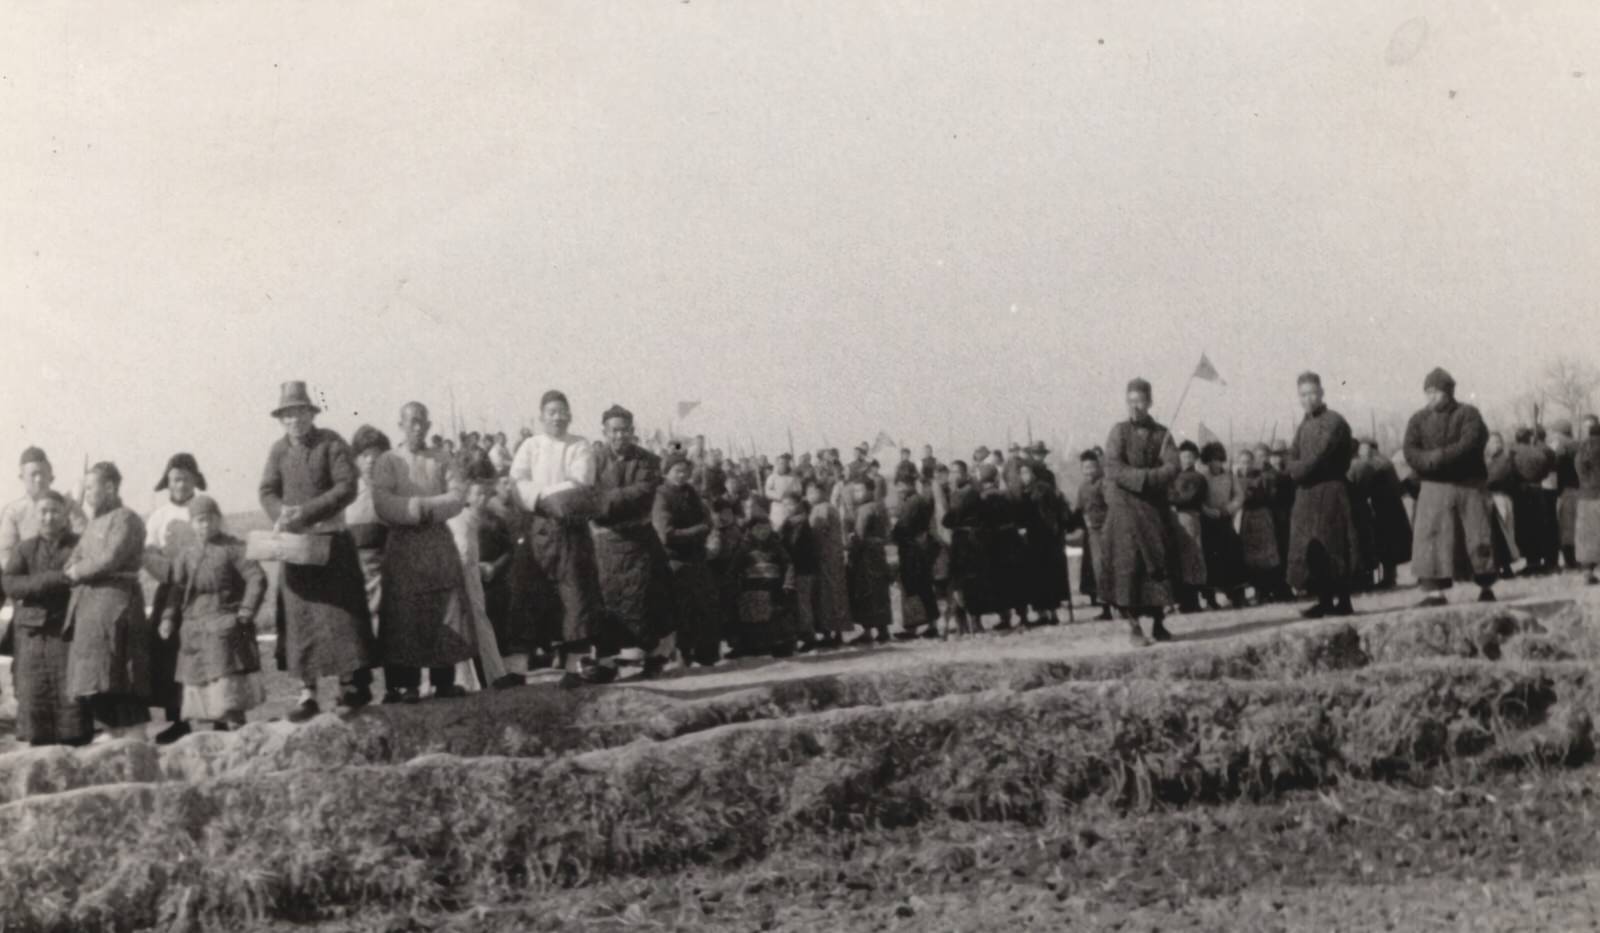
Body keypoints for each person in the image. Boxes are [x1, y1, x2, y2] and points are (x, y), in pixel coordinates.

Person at [258, 381, 376, 721]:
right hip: (296, 549)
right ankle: (307, 693)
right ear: (280, 420)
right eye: (287, 416)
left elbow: (347, 486)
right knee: (300, 623)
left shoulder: (331, 443)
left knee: (342, 619)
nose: (294, 421)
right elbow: (266, 489)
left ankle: (351, 686)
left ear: (311, 413)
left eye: (299, 413)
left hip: (332, 542)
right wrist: (281, 512)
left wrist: (307, 511)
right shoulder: (278, 451)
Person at [370, 402, 476, 703]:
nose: (417, 427)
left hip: (437, 545)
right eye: (411, 422)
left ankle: (443, 681)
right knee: (403, 615)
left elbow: (457, 496)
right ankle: (407, 685)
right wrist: (412, 510)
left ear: (429, 426)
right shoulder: (388, 462)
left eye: (422, 422)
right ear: (400, 424)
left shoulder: (442, 458)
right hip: (402, 546)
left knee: (444, 607)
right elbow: (382, 500)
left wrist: (428, 508)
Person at [508, 390, 607, 687]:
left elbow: (578, 486)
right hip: (537, 529)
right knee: (526, 595)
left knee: (575, 596)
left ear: (570, 415)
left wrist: (544, 496)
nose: (557, 417)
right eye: (551, 412)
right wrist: (541, 498)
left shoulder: (580, 445)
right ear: (541, 416)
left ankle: (574, 669)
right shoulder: (530, 445)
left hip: (571, 530)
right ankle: (517, 670)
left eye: (562, 411)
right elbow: (518, 483)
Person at [159, 495, 267, 731]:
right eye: (199, 520)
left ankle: (235, 723)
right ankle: (215, 728)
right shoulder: (186, 555)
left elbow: (256, 577)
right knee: (198, 665)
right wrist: (168, 618)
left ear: (218, 520)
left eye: (209, 520)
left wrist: (246, 610)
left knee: (223, 662)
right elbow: (176, 590)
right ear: (192, 523)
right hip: (195, 620)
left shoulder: (234, 548)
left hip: (224, 614)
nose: (205, 525)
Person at [64, 462, 152, 741]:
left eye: (91, 487)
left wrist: (79, 571)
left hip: (118, 604)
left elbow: (110, 557)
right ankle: (109, 729)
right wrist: (77, 568)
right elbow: (72, 560)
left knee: (121, 671)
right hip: (90, 609)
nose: (87, 493)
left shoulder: (126, 518)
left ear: (110, 487)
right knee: (96, 676)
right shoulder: (93, 525)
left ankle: (135, 735)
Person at [2, 491, 92, 745]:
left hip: (68, 632)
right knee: (34, 695)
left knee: (70, 696)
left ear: (65, 515)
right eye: (43, 511)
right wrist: (55, 579)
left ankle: (74, 747)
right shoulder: (25, 548)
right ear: (36, 515)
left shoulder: (78, 546)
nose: (49, 517)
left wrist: (38, 585)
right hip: (31, 635)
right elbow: (10, 584)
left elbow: (84, 576)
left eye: (55, 511)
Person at [591, 405, 673, 679]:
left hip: (640, 541)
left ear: (632, 432)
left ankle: (654, 659)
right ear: (604, 432)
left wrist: (604, 501)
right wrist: (604, 504)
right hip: (605, 544)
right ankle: (605, 665)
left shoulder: (648, 460)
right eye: (614, 430)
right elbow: (585, 496)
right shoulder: (592, 459)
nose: (620, 436)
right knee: (605, 602)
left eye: (625, 430)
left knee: (649, 600)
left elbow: (643, 493)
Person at [1403, 367, 1497, 606]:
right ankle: (1435, 593)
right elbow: (1410, 450)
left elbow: (1471, 443)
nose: (1431, 397)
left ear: (1448, 392)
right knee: (1432, 538)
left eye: (1435, 392)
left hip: (1468, 486)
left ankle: (1485, 587)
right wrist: (1428, 461)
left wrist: (1439, 458)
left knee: (1476, 536)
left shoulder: (1468, 414)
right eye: (1427, 392)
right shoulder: (1418, 419)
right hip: (1434, 488)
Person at [1101, 378, 1181, 646]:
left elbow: (1173, 466)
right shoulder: (1118, 432)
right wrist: (1143, 479)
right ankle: (1134, 626)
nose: (1136, 406)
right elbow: (1113, 466)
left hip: (1154, 509)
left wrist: (1153, 479)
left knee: (1160, 565)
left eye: (1141, 400)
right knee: (1129, 568)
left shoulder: (1163, 434)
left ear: (1150, 402)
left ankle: (1159, 623)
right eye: (1131, 400)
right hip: (1125, 511)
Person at [1284, 372, 1362, 618]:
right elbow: (1291, 458)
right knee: (1311, 548)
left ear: (1322, 393)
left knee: (1335, 545)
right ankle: (1324, 599)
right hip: (1306, 496)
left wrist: (1298, 470)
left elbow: (1319, 457)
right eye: (1303, 395)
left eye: (1312, 393)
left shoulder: (1334, 422)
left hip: (1330, 492)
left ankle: (1344, 600)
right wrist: (1295, 470)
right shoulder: (1303, 425)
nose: (1308, 399)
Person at [141, 452, 207, 744]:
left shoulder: (204, 507)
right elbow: (149, 552)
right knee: (168, 651)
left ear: (195, 479)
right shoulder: (159, 515)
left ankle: (215, 715)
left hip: (203, 588)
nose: (179, 485)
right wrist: (167, 572)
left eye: (184, 479)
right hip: (169, 588)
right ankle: (177, 719)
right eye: (174, 480)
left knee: (206, 648)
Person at [446, 473, 521, 690]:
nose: (482, 498)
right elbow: (462, 552)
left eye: (484, 494)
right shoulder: (458, 518)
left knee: (481, 622)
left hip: (473, 576)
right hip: (459, 576)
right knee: (461, 624)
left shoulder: (485, 519)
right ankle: (465, 680)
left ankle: (494, 674)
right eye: (477, 494)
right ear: (467, 497)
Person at [654, 451, 721, 666]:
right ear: (666, 473)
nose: (682, 475)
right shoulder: (661, 495)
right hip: (676, 561)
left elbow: (708, 519)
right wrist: (699, 531)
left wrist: (705, 531)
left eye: (686, 471)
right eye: (677, 471)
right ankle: (684, 654)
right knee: (682, 610)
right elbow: (666, 534)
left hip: (697, 559)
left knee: (706, 607)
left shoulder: (691, 492)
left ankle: (707, 655)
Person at [0, 447, 87, 567]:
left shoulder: (68, 505)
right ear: (22, 478)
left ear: (51, 476)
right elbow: (5, 552)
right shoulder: (14, 511)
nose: (39, 479)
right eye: (33, 474)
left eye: (42, 473)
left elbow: (85, 539)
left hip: (64, 570)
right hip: (26, 575)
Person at [728, 512, 795, 658]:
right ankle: (752, 646)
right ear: (751, 530)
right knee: (753, 618)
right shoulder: (744, 548)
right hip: (752, 589)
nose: (763, 532)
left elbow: (788, 564)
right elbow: (733, 570)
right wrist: (734, 588)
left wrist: (788, 583)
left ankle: (778, 645)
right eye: (759, 529)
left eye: (766, 528)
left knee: (776, 618)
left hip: (774, 588)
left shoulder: (776, 546)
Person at [346, 426, 392, 626]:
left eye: (377, 456)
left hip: (385, 580)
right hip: (351, 578)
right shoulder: (346, 494)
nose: (371, 461)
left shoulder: (393, 492)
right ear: (355, 459)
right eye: (365, 455)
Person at [1015, 462, 1068, 626]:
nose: (1024, 477)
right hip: (1033, 540)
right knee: (1037, 577)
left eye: (1026, 472)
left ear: (1034, 473)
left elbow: (1052, 513)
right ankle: (1042, 613)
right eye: (1021, 473)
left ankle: (1052, 613)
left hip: (1045, 538)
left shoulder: (1042, 489)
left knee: (1048, 576)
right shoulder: (1025, 491)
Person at [891, 474, 941, 637]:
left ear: (910, 484)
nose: (899, 489)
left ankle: (918, 626)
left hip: (913, 549)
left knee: (915, 586)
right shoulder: (914, 501)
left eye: (901, 485)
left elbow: (902, 528)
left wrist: (893, 533)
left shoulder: (913, 502)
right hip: (917, 547)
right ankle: (926, 624)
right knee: (921, 586)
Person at [845, 477, 894, 644]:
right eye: (855, 491)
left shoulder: (865, 509)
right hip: (878, 554)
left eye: (860, 490)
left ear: (870, 490)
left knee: (866, 592)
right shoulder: (880, 506)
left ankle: (867, 631)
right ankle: (883, 629)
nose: (857, 494)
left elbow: (859, 535)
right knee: (880, 591)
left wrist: (852, 548)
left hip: (866, 557)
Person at [804, 479, 852, 645]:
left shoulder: (822, 509)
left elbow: (818, 532)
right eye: (807, 493)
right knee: (833, 593)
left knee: (828, 594)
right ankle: (834, 632)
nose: (809, 496)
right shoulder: (824, 508)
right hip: (831, 556)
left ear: (822, 493)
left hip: (825, 556)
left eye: (812, 492)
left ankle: (830, 633)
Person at [1198, 442, 1246, 608]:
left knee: (1233, 554)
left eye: (1219, 460)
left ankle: (1237, 594)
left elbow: (1239, 496)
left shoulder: (1230, 476)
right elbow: (1198, 499)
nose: (1216, 463)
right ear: (1207, 461)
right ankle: (1211, 597)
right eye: (1212, 460)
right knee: (1211, 558)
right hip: (1208, 522)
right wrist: (1209, 512)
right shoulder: (1202, 477)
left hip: (1225, 520)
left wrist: (1228, 509)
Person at [1361, 440, 1413, 590]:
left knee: (1387, 544)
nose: (1362, 453)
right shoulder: (1385, 462)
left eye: (1364, 450)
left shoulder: (1377, 464)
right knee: (1389, 544)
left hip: (1385, 509)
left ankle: (1389, 578)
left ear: (1371, 449)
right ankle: (1389, 577)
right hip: (1390, 507)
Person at [938, 461, 981, 636]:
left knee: (960, 583)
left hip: (963, 542)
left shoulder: (962, 494)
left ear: (964, 474)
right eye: (952, 472)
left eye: (957, 472)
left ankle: (968, 624)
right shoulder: (971, 492)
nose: (953, 476)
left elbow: (949, 519)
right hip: (970, 540)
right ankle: (970, 623)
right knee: (967, 582)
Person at [1233, 448, 1281, 603]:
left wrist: (1256, 494)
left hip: (1261, 516)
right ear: (1238, 464)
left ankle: (1266, 591)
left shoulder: (1262, 477)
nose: (1245, 466)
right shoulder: (1235, 479)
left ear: (1253, 463)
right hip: (1246, 516)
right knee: (1249, 555)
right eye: (1242, 463)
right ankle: (1255, 590)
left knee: (1265, 556)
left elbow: (1271, 496)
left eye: (1248, 462)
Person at [1071, 449, 1112, 621]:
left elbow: (1113, 507)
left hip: (1108, 530)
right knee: (1098, 568)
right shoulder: (1082, 487)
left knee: (1112, 567)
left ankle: (1123, 606)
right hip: (1093, 533)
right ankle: (1105, 608)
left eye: (1091, 467)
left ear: (1098, 467)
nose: (1088, 471)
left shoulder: (1105, 484)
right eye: (1085, 468)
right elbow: (1078, 510)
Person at [1168, 442, 1209, 613]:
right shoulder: (1174, 475)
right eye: (1183, 456)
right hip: (1174, 518)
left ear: (1195, 459)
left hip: (1189, 516)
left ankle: (1192, 601)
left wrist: (1170, 497)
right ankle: (1181, 599)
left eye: (1189, 457)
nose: (1186, 460)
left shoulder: (1197, 478)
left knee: (1191, 557)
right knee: (1178, 558)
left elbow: (1188, 498)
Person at [778, 491, 822, 650]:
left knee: (803, 603)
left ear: (798, 504)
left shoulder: (801, 522)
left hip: (802, 567)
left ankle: (808, 636)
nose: (787, 508)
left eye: (790, 504)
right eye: (784, 505)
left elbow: (794, 545)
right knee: (799, 603)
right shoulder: (790, 522)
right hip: (796, 567)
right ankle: (801, 634)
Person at [1509, 428, 1555, 575]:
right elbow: (1547, 469)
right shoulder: (1539, 453)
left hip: (1520, 492)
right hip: (1538, 490)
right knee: (1539, 525)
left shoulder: (1512, 453)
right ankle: (1538, 560)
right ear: (1529, 438)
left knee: (1524, 526)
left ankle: (1530, 560)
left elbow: (1509, 472)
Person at [1484, 432, 1522, 578]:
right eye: (1493, 442)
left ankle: (1506, 566)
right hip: (1490, 497)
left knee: (1504, 531)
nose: (1496, 445)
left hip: (1500, 496)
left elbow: (1495, 478)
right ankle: (1499, 565)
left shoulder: (1504, 460)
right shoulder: (1489, 460)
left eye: (1498, 441)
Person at [1574, 417, 1600, 585]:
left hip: (1587, 495)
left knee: (1587, 535)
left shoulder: (1583, 447)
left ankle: (1588, 571)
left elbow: (1580, 467)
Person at [765, 452, 804, 529]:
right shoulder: (772, 478)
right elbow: (767, 492)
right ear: (777, 464)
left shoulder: (794, 477)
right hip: (777, 506)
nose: (783, 465)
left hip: (791, 507)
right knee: (777, 527)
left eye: (785, 463)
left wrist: (791, 496)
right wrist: (779, 496)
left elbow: (799, 491)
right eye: (781, 463)